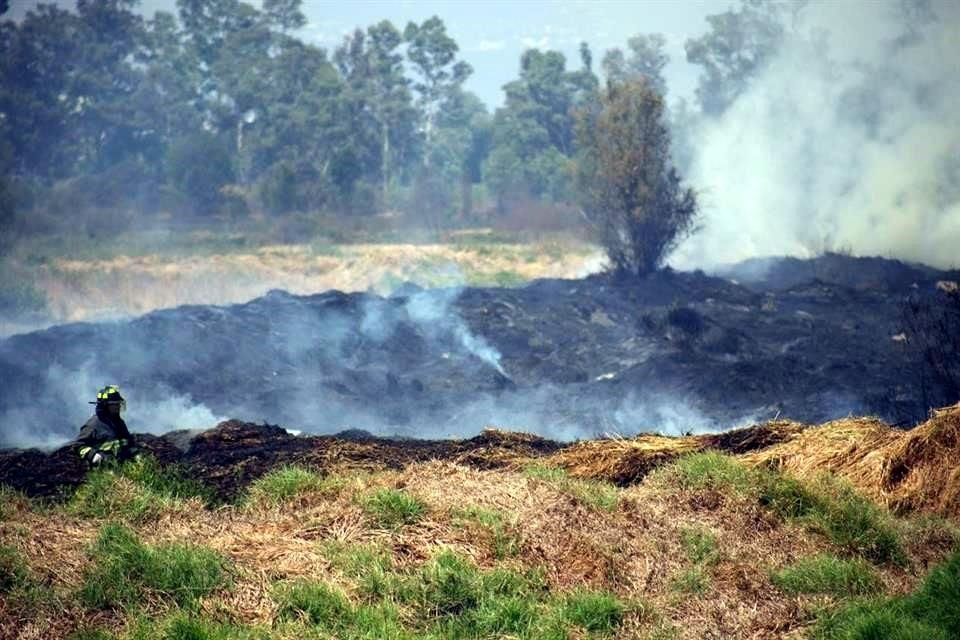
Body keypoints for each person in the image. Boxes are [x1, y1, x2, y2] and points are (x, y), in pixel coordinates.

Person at [76, 385, 137, 467]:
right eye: (115, 404)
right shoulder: (92, 425)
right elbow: (78, 445)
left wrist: (135, 454)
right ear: (105, 406)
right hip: (103, 470)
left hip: (122, 469)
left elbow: (128, 442)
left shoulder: (119, 422)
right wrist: (93, 455)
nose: (119, 406)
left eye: (119, 403)